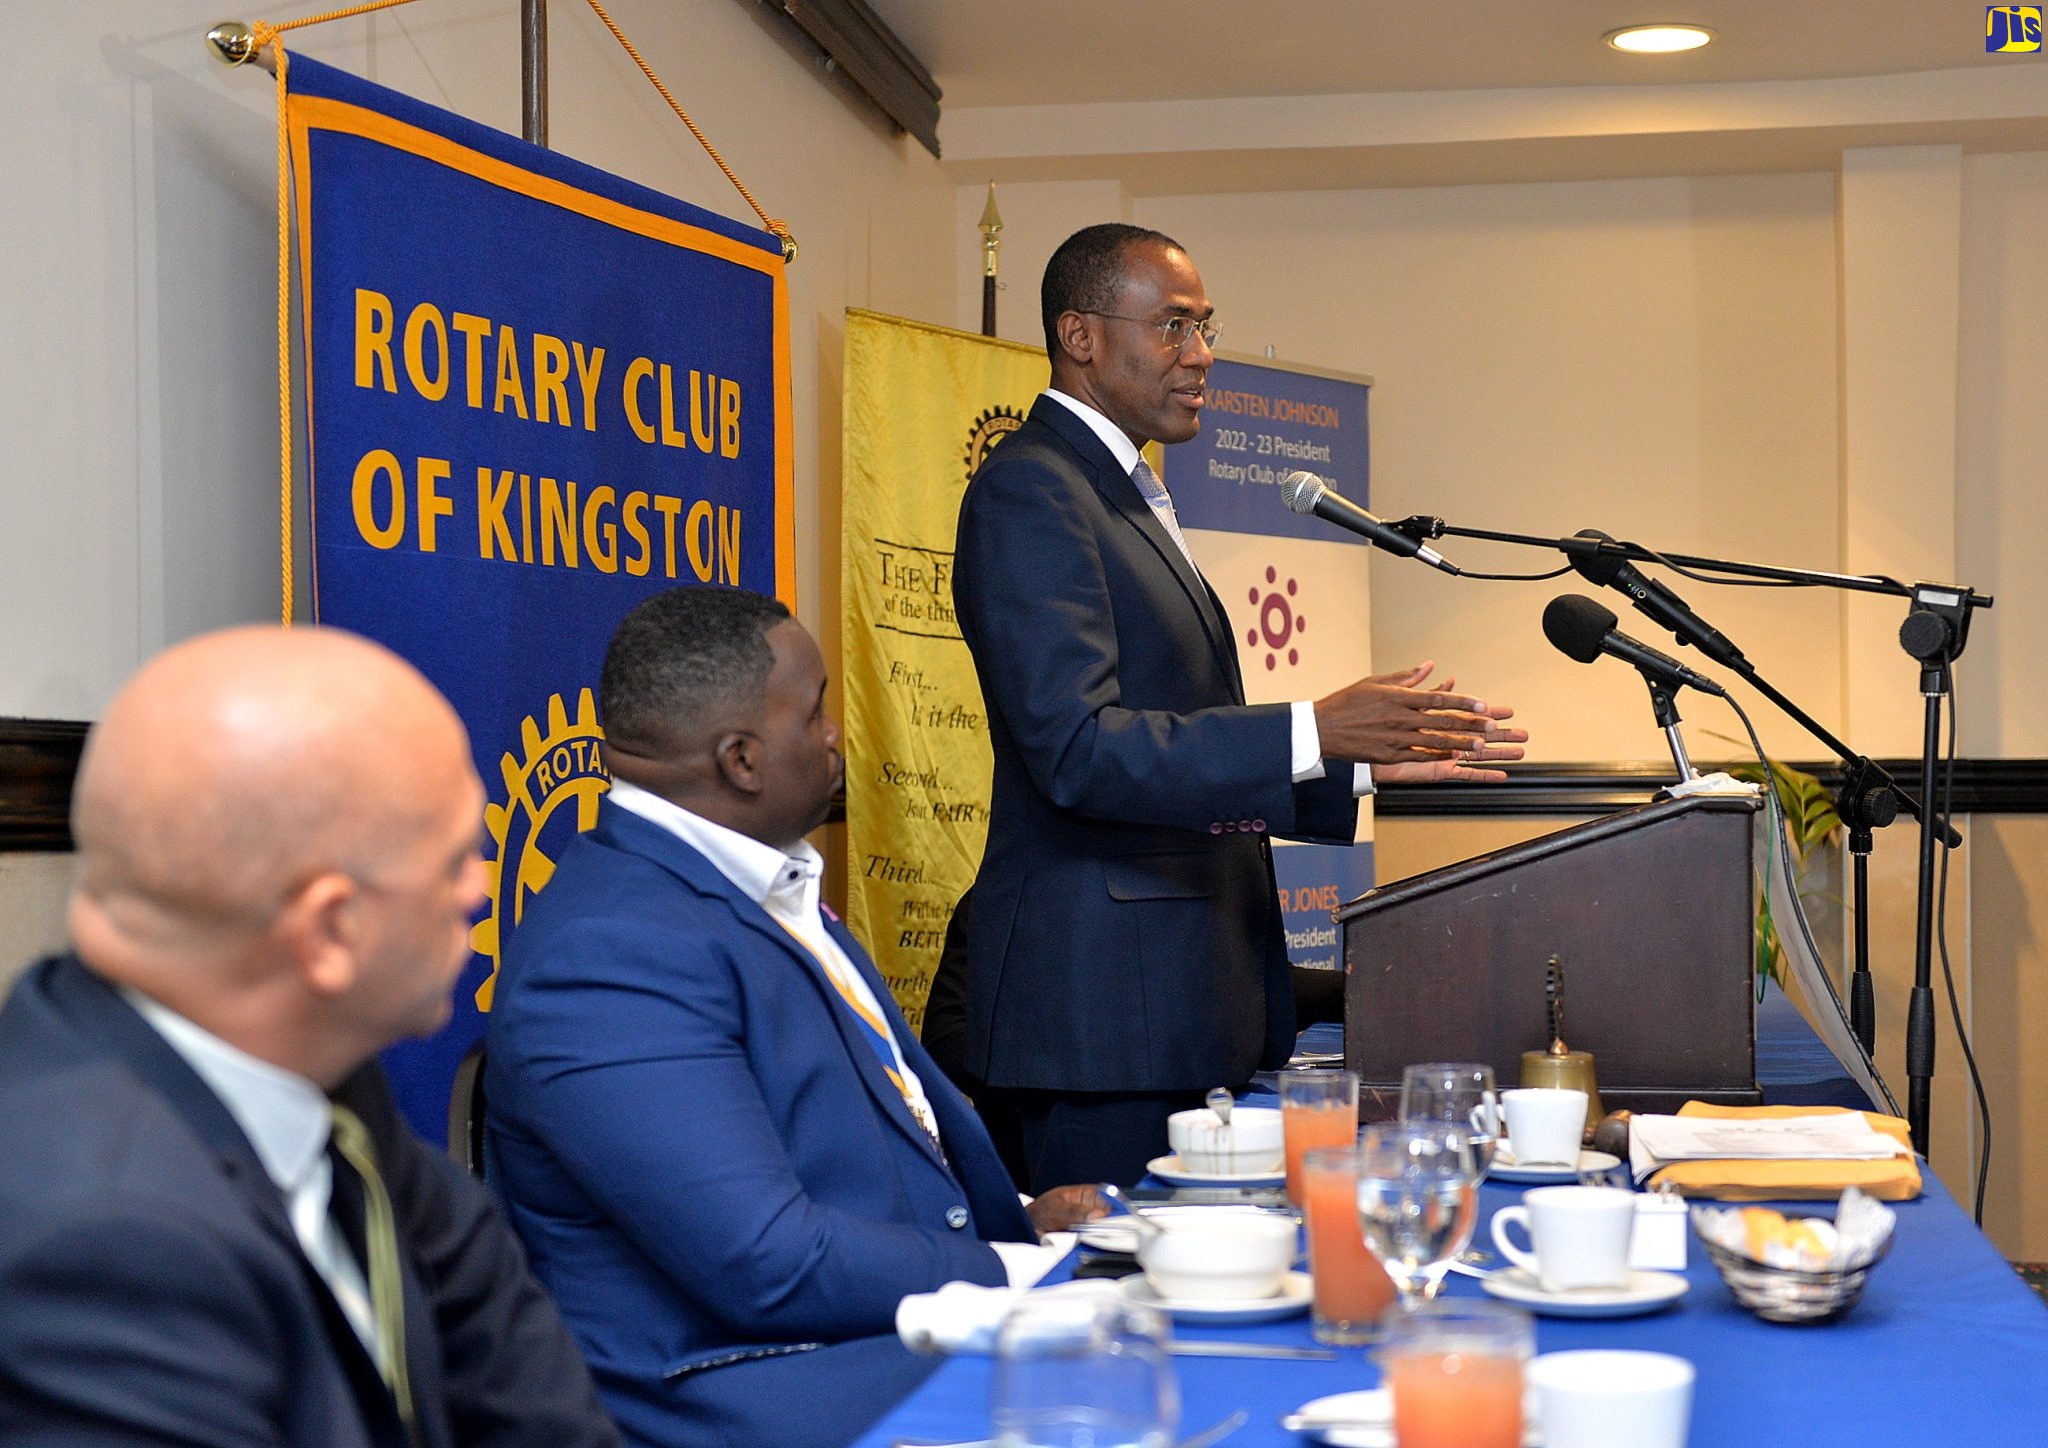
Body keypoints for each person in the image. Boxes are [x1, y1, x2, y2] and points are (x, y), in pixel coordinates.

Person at [951, 222, 1527, 1191]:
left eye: (1205, 326)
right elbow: (1079, 750)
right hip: (1101, 1028)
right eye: (1173, 326)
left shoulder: (1123, 492)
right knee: (1124, 1321)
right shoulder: (1031, 491)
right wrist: (1309, 727)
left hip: (1172, 1009)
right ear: (1079, 335)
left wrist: (1347, 766)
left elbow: (1172, 747)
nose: (1201, 356)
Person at [484, 586, 1103, 1448]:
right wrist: (1023, 1270)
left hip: (868, 1329)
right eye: (816, 713)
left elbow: (849, 1150)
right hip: (751, 1388)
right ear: (741, 759)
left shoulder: (757, 882)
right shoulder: (609, 956)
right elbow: (766, 1262)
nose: (834, 736)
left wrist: (1022, 1216)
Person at [0, 627, 619, 1448]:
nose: (480, 885)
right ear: (329, 934)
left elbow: (523, 1387)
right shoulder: (101, 1242)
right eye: (451, 860)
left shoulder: (303, 1062)